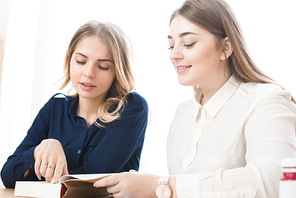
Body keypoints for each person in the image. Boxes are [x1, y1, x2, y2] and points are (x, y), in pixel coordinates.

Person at [93, 0, 296, 197]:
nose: (174, 55)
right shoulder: (183, 113)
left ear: (226, 47)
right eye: (171, 46)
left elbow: (276, 182)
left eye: (188, 44)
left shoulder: (267, 102)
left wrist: (162, 186)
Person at [1, 20, 149, 188]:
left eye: (102, 66)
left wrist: (46, 170)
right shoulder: (55, 107)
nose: (88, 73)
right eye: (81, 61)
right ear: (70, 60)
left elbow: (92, 179)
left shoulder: (132, 108)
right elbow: (8, 175)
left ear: (117, 71)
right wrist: (42, 149)